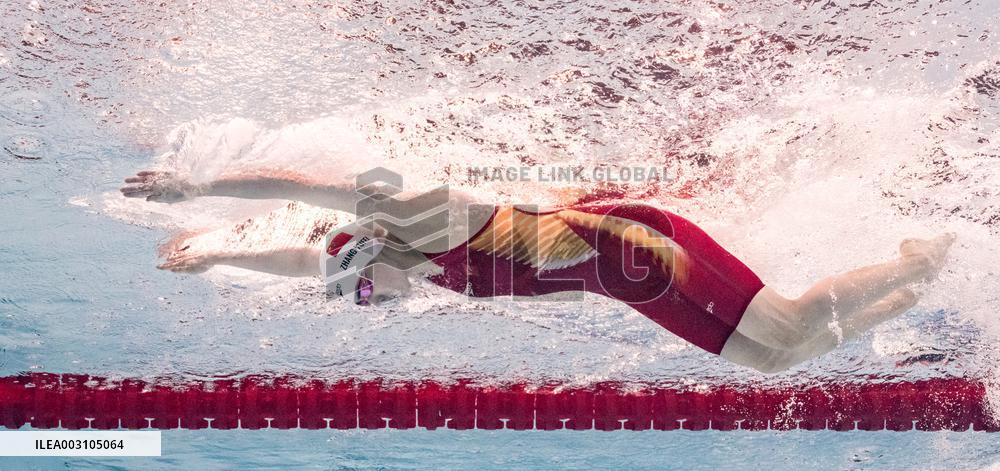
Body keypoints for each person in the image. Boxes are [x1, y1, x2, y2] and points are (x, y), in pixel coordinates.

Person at [121, 169, 955, 374]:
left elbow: (311, 186)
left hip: (636, 249)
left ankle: (930, 256)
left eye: (367, 281)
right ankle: (922, 273)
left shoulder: (420, 214)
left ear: (371, 242)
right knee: (779, 353)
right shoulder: (405, 268)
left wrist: (200, 187)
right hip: (625, 279)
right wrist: (220, 251)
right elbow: (307, 259)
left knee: (785, 334)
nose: (380, 297)